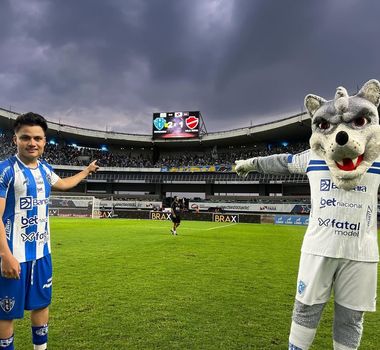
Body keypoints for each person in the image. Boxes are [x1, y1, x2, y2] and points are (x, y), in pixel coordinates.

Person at [235, 79, 380, 350]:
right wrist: (251, 163)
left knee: (351, 320)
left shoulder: (376, 156)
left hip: (361, 253)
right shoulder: (314, 156)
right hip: (319, 249)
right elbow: (281, 161)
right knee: (306, 311)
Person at [0, 112, 99, 350]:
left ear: (44, 141)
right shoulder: (5, 170)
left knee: (42, 305)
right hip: (13, 255)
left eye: (37, 138)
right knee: (6, 313)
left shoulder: (45, 168)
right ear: (15, 140)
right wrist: (5, 255)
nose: (32, 143)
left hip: (42, 254)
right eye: (25, 137)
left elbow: (63, 184)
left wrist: (86, 171)